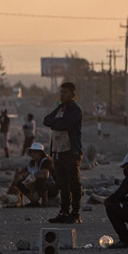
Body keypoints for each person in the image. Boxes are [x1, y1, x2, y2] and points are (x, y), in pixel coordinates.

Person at [44, 82, 84, 224]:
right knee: (62, 184)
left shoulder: (75, 110)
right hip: (58, 152)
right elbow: (46, 120)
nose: (62, 95)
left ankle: (75, 213)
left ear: (73, 94)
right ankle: (64, 212)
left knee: (74, 183)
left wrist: (55, 123)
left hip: (71, 152)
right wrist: (56, 122)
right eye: (61, 92)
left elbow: (63, 124)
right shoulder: (60, 108)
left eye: (65, 92)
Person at [7, 142, 56, 206]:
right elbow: (22, 175)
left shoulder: (45, 161)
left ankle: (44, 201)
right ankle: (33, 201)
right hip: (36, 187)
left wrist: (31, 176)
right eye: (32, 152)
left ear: (41, 153)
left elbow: (45, 175)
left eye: (35, 152)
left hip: (51, 187)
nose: (33, 154)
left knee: (40, 181)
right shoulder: (31, 164)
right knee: (20, 183)